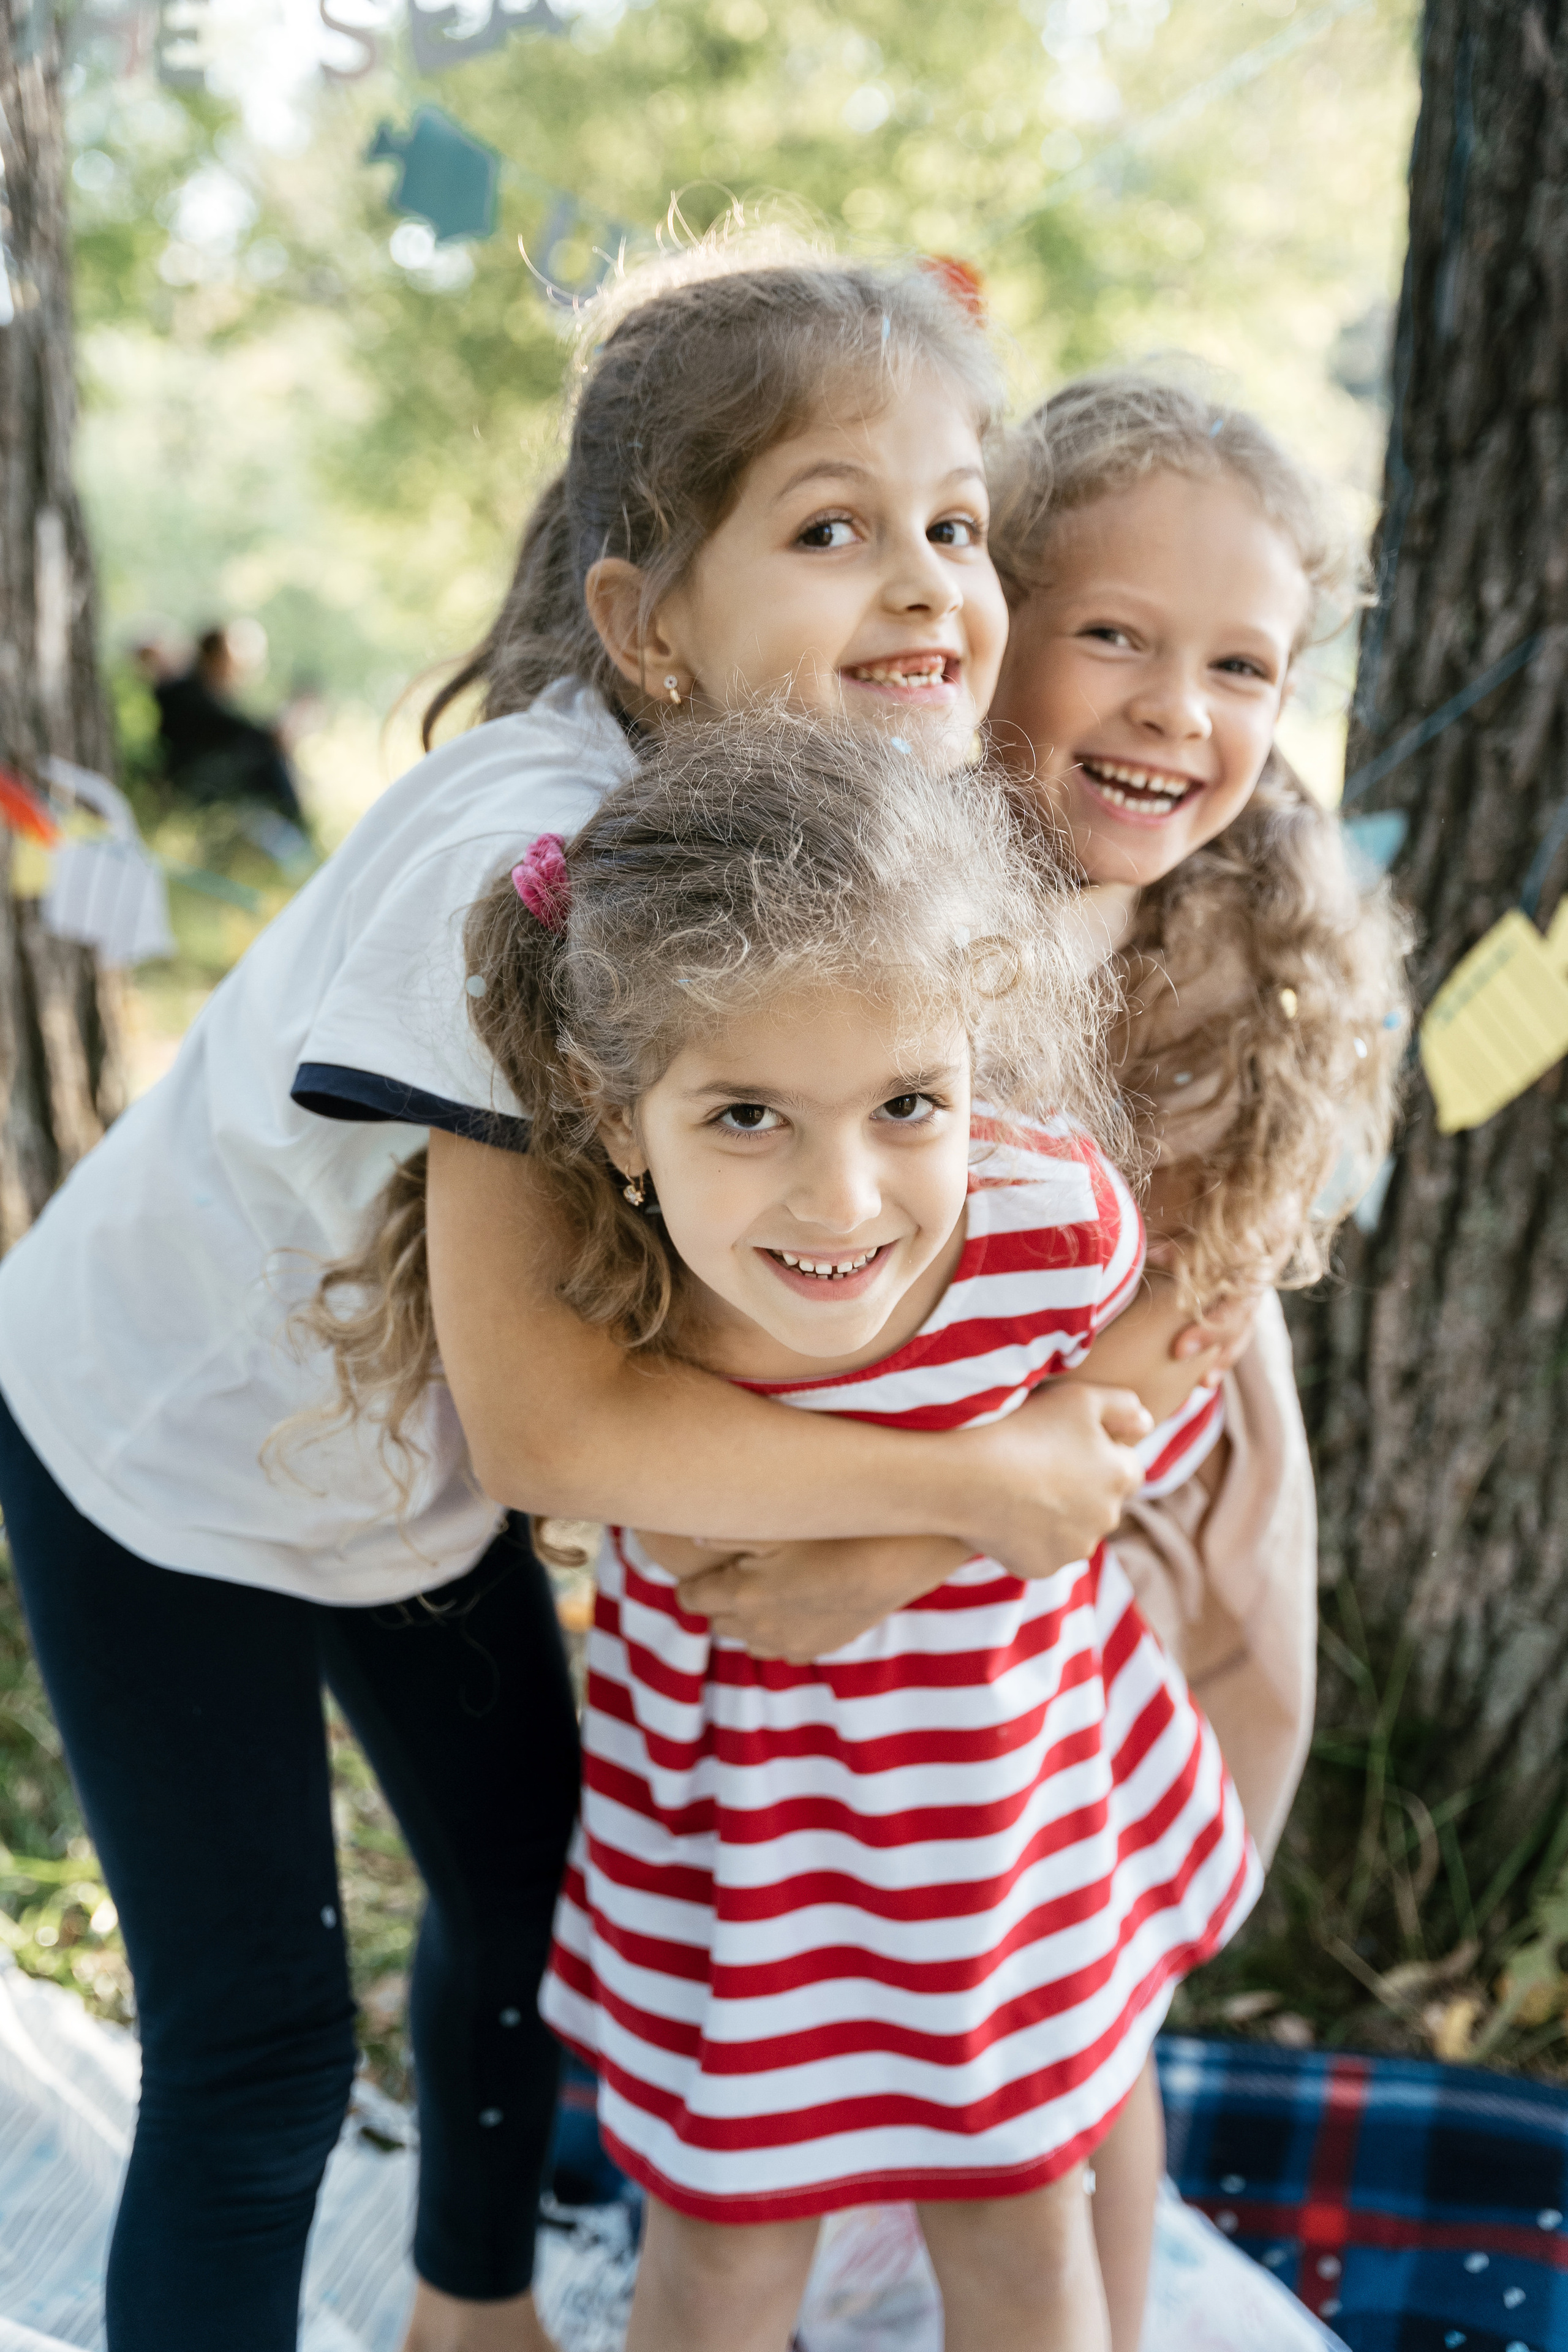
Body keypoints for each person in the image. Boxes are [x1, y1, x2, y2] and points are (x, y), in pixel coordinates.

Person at [0, 238, 1155, 2352]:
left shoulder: (797, 833)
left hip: (388, 1465)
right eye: (832, 528)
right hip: (158, 1453)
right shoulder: (525, 861)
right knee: (258, 2051)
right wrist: (982, 1490)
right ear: (644, 618)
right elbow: (557, 1433)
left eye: (955, 525)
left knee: (535, 1888)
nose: (923, 583)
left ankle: (471, 2312)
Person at [303, 711, 1260, 2352]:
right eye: (748, 1117)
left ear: (981, 1058)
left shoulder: (1049, 1233)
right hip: (753, 1860)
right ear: (614, 1121)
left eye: (909, 1104)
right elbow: (582, 1471)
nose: (842, 1201)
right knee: (729, 2254)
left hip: (999, 1832)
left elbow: (1138, 1406)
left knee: (1023, 2229)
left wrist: (959, 1527)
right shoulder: (623, 1309)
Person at [146, 623, 306, 822]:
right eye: (227, 659)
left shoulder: (200, 692)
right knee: (264, 755)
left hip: (202, 774)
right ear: (214, 657)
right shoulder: (188, 693)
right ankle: (295, 823)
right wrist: (269, 737)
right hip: (193, 779)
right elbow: (228, 726)